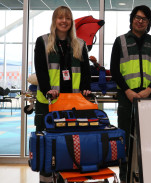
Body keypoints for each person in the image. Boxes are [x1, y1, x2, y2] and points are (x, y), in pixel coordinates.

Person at [34, 6, 92, 183]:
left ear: (71, 22)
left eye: (67, 18)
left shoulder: (79, 44)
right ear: (54, 20)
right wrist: (47, 90)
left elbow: (85, 71)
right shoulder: (42, 41)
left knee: (70, 144)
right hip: (48, 102)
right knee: (46, 144)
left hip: (72, 103)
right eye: (60, 18)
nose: (64, 21)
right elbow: (41, 70)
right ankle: (46, 180)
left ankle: (67, 179)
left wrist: (86, 88)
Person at [110, 5, 151, 183]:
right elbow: (114, 70)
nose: (140, 21)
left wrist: (148, 91)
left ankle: (149, 176)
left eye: (144, 18)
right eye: (137, 17)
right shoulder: (120, 41)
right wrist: (127, 91)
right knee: (125, 140)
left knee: (150, 141)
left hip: (150, 99)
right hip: (127, 98)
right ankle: (125, 177)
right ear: (132, 19)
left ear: (148, 22)